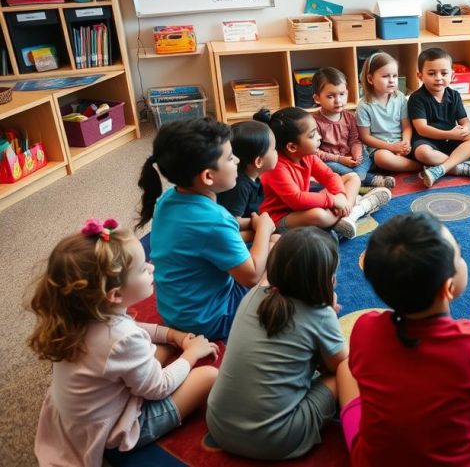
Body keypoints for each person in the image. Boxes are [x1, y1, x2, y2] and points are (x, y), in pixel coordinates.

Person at [338, 212, 470, 466]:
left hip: (376, 460)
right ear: (448, 288)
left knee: (346, 367)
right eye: (458, 255)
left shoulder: (365, 328)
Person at [30, 219, 219, 466]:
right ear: (115, 294)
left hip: (84, 416)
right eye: (142, 269)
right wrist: (191, 354)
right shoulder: (120, 339)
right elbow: (158, 388)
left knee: (159, 349)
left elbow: (132, 328)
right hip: (116, 432)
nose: (151, 268)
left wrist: (172, 335)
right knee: (207, 376)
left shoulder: (84, 315)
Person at [206, 228, 347, 460]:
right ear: (326, 280)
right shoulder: (321, 315)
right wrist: (327, 311)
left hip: (218, 425)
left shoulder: (252, 295)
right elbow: (338, 365)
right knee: (344, 372)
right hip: (276, 439)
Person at [138, 117, 274, 339]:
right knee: (279, 250)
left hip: (174, 312)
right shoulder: (215, 220)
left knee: (265, 243)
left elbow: (206, 237)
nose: (238, 160)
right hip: (212, 319)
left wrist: (255, 225)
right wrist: (264, 230)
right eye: (230, 158)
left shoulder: (168, 199)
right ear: (208, 176)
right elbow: (250, 276)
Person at [255, 107, 391, 239]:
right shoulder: (276, 167)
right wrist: (333, 200)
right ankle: (358, 208)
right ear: (292, 147)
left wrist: (340, 196)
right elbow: (296, 200)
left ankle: (348, 215)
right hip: (281, 218)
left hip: (303, 206)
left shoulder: (307, 155)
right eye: (312, 135)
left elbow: (330, 176)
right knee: (318, 215)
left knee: (352, 177)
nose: (319, 137)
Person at [408, 47, 470, 187]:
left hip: (450, 140)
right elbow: (421, 129)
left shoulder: (454, 95)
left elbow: (465, 120)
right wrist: (450, 133)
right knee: (422, 153)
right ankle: (459, 167)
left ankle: (441, 168)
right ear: (420, 76)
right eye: (431, 73)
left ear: (452, 75)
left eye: (444, 73)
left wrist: (465, 129)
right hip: (427, 141)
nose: (438, 78)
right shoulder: (416, 98)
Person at [311, 66, 395, 189]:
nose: (338, 100)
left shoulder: (349, 117)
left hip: (351, 159)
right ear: (317, 98)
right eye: (330, 96)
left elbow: (355, 140)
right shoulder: (314, 122)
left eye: (342, 94)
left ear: (347, 93)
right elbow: (315, 151)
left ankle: (353, 181)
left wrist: (356, 154)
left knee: (366, 155)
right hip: (332, 160)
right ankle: (366, 180)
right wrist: (339, 159)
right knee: (323, 165)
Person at [356, 51, 420, 173]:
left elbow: (406, 126)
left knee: (421, 148)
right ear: (370, 79)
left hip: (401, 143)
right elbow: (365, 137)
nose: (391, 81)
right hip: (381, 148)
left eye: (394, 76)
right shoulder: (364, 106)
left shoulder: (400, 97)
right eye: (385, 76)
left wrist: (405, 142)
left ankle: (406, 162)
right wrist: (392, 147)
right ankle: (419, 167)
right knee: (382, 158)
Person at [216, 120, 278, 243]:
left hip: (247, 225)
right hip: (230, 235)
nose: (277, 152)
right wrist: (257, 224)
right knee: (276, 239)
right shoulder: (240, 186)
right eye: (274, 148)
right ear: (258, 162)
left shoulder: (253, 176)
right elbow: (230, 221)